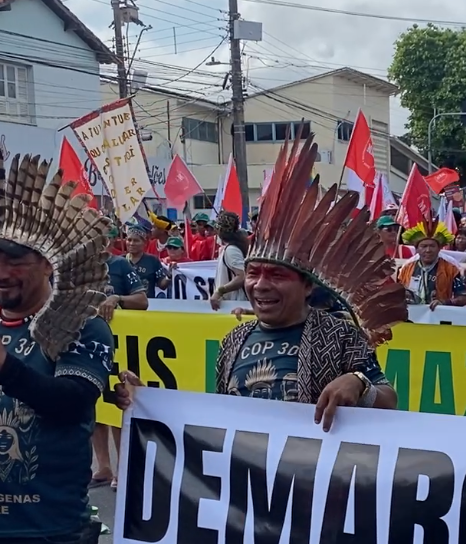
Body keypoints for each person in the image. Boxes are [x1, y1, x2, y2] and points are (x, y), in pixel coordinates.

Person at [118, 133, 406, 431]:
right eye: (253, 273)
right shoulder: (233, 341)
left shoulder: (340, 335)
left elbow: (389, 400)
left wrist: (359, 383)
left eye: (277, 275)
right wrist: (149, 404)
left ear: (307, 286)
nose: (260, 285)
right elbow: (216, 422)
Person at [0, 154, 114, 544]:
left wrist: (7, 369)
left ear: (47, 264)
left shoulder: (81, 324)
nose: (3, 270)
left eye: (16, 258)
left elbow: (73, 402)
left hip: (49, 521)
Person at [91, 232, 148, 488]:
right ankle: (103, 466)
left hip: (119, 345)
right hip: (88, 344)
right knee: (94, 407)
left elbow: (142, 301)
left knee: (116, 405)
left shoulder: (120, 265)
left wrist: (117, 299)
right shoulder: (77, 266)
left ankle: (121, 469)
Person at [397, 220, 466, 309]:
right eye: (424, 246)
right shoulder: (407, 268)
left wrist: (445, 302)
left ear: (439, 248)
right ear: (417, 249)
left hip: (440, 315)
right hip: (413, 315)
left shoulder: (451, 269)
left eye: (432, 246)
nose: (428, 250)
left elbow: (464, 298)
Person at [210, 210, 248, 309]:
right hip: (231, 306)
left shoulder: (231, 250)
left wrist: (220, 292)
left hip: (234, 306)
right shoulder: (230, 248)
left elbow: (241, 276)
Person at [125, 225, 170, 298]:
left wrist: (169, 276)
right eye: (129, 240)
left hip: (147, 303)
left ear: (145, 243)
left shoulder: (153, 261)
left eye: (136, 241)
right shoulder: (120, 261)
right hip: (124, 303)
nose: (131, 243)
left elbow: (162, 285)